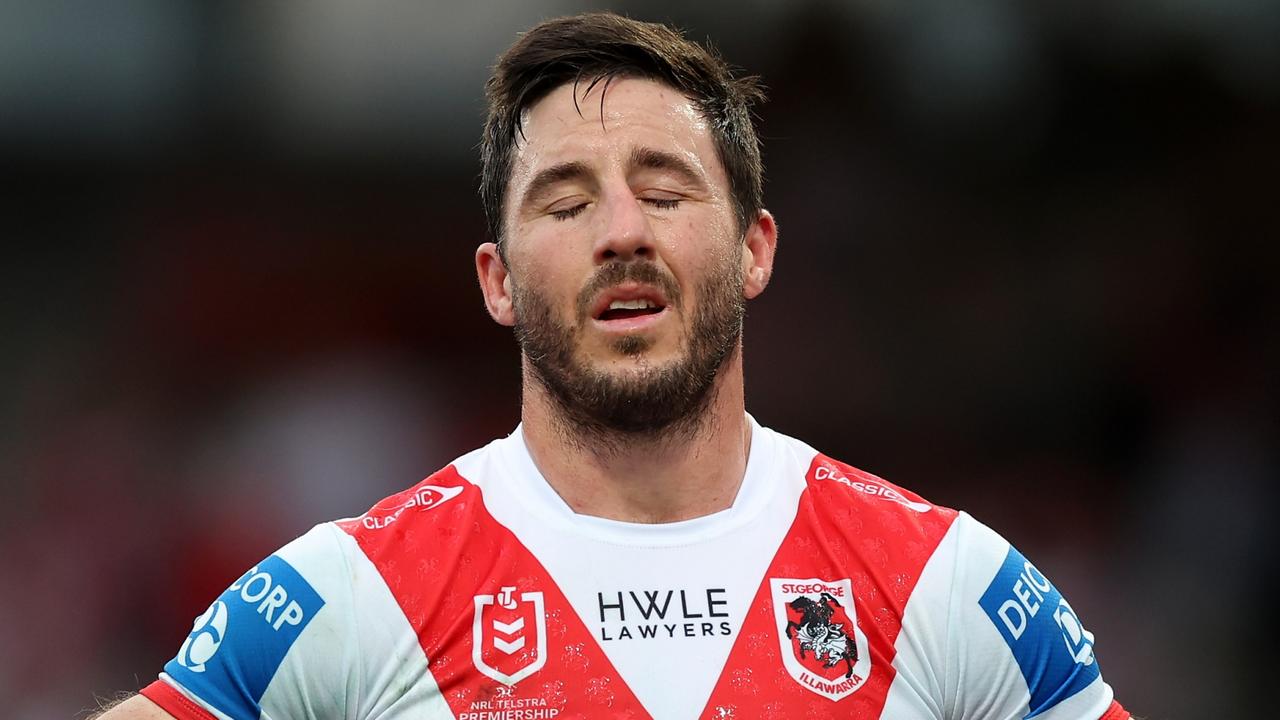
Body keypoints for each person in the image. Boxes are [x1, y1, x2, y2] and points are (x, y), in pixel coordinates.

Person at [99, 12, 1130, 720]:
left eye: (667, 190)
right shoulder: (356, 591)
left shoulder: (944, 583)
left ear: (753, 249)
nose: (621, 231)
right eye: (566, 201)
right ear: (496, 281)